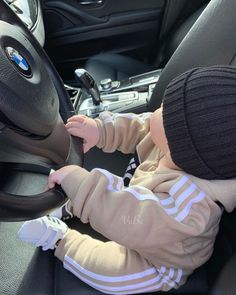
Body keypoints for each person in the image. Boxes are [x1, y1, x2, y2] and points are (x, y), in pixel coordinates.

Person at [18, 65, 236, 294]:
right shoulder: (178, 144)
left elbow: (129, 217)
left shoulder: (190, 208)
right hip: (139, 202)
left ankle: (58, 239)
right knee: (110, 187)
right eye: (165, 105)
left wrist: (80, 184)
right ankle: (69, 204)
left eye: (165, 111)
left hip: (159, 259)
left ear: (179, 150)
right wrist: (100, 131)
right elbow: (141, 128)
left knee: (114, 275)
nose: (157, 111)